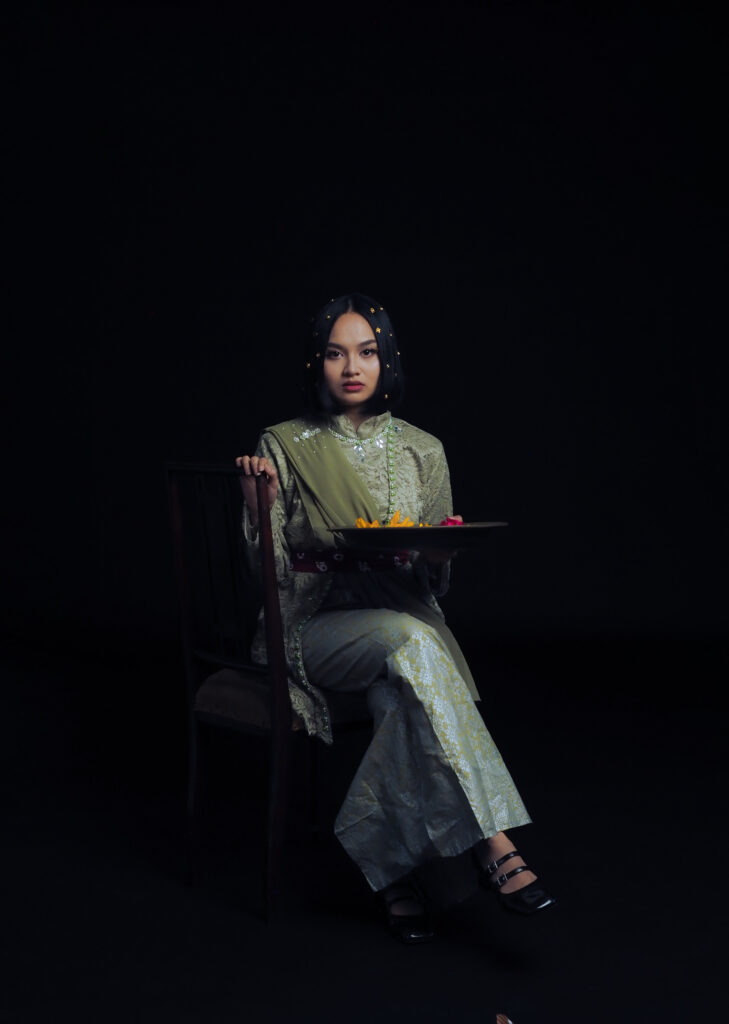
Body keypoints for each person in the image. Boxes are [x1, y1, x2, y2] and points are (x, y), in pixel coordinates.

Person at [235, 292, 555, 943]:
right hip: (312, 628)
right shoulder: (283, 443)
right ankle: (492, 843)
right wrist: (254, 500)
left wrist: (435, 551)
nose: (351, 365)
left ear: (387, 360)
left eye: (367, 350)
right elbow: (265, 580)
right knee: (413, 643)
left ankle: (390, 876)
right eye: (334, 351)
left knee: (404, 698)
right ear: (314, 363)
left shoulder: (422, 451)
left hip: (399, 621)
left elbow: (434, 582)